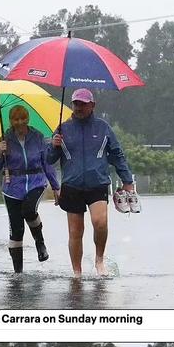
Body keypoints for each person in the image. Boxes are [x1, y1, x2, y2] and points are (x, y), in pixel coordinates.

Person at [47, 88, 135, 277]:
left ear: (92, 105)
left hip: (98, 183)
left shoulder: (103, 128)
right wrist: (53, 146)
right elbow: (48, 159)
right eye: (75, 103)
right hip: (72, 185)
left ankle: (99, 259)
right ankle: (77, 272)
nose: (78, 107)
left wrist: (127, 180)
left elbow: (117, 155)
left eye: (83, 104)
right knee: (75, 231)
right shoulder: (63, 128)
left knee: (100, 222)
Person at [0, 105, 60, 273]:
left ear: (28, 119)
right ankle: (18, 273)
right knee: (16, 230)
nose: (20, 122)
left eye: (23, 118)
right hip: (12, 187)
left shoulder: (37, 137)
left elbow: (47, 164)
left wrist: (56, 187)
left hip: (36, 182)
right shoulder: (4, 138)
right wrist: (0, 153)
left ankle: (40, 242)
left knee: (29, 210)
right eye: (16, 119)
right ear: (11, 121)